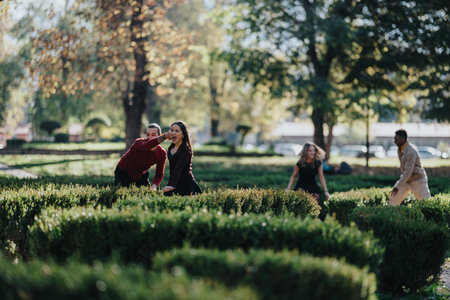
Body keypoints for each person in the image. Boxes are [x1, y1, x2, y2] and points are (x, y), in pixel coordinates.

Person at [114, 124, 171, 189]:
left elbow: (159, 174)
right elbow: (146, 146)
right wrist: (165, 136)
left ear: (159, 135)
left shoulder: (162, 153)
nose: (150, 137)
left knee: (148, 195)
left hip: (140, 175)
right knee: (122, 195)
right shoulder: (138, 142)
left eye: (153, 135)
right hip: (123, 172)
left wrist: (154, 186)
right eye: (148, 134)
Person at [389, 129, 430, 205]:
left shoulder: (411, 151)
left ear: (403, 139)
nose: (394, 142)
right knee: (393, 199)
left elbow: (408, 171)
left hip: (418, 180)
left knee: (426, 203)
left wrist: (397, 186)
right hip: (406, 180)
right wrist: (398, 186)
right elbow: (406, 173)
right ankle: (389, 215)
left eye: (396, 139)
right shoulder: (400, 148)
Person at [162, 120, 202, 196]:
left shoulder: (186, 151)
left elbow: (178, 169)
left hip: (186, 184)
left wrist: (172, 186)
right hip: (174, 181)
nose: (173, 133)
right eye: (172, 130)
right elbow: (173, 169)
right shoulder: (171, 148)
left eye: (177, 131)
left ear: (183, 135)